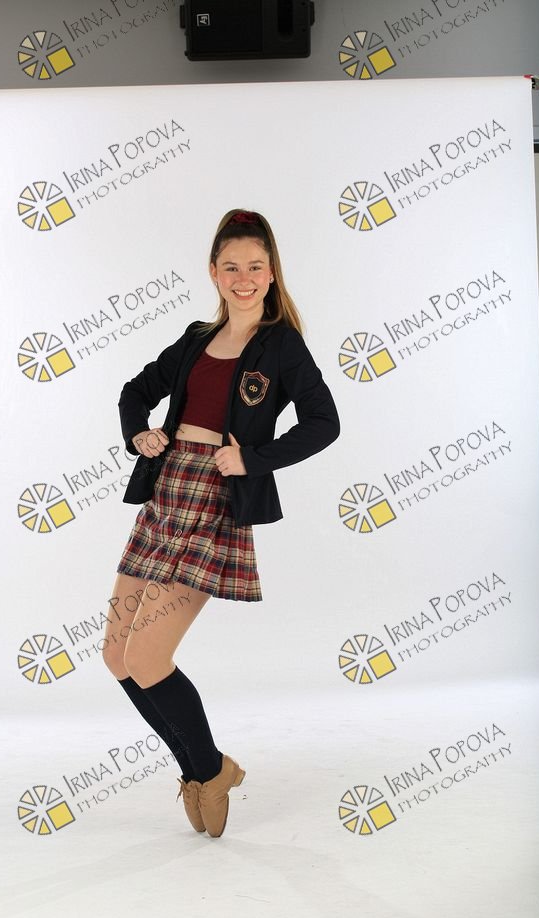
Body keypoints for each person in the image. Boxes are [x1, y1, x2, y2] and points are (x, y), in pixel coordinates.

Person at [102, 209, 340, 838]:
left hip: (215, 501)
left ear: (272, 273)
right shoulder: (194, 338)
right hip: (166, 492)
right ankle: (205, 771)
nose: (243, 278)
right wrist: (139, 433)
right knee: (117, 655)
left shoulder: (282, 345)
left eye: (255, 267)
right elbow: (134, 391)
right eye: (231, 266)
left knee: (148, 654)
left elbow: (325, 423)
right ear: (213, 271)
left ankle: (207, 771)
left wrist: (253, 458)